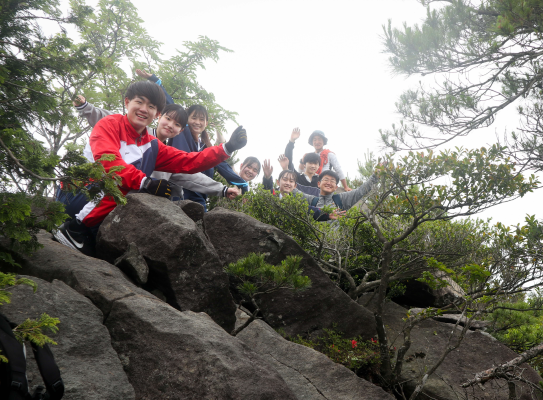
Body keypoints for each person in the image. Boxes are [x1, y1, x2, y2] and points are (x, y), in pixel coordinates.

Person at [54, 80, 247, 256]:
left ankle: (92, 235)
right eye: (139, 102)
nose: (144, 109)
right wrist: (146, 182)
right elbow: (109, 164)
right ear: (127, 102)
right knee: (131, 178)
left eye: (151, 106)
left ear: (156, 113)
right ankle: (75, 228)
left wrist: (227, 148)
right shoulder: (110, 124)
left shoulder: (152, 144)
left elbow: (188, 162)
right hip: (79, 193)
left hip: (105, 202)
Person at [71, 95, 240, 201]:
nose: (170, 125)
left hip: (138, 204)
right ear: (160, 117)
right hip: (100, 191)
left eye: (177, 124)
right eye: (168, 119)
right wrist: (85, 107)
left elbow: (191, 173)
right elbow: (109, 120)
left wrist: (222, 189)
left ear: (181, 131)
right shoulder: (138, 131)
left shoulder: (166, 154)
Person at [136, 69, 251, 208]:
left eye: (202, 119)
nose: (197, 122)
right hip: (174, 197)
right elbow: (172, 109)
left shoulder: (205, 147)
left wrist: (238, 183)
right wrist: (157, 82)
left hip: (198, 199)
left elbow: (215, 161)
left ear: (206, 123)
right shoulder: (174, 135)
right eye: (193, 118)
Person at [261, 158, 345, 221]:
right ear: (278, 182)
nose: (288, 183)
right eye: (285, 180)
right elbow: (266, 192)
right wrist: (267, 178)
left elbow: (310, 210)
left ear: (295, 186)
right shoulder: (273, 196)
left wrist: (327, 214)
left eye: (291, 181)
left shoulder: (296, 202)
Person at [293, 170, 378, 211]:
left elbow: (361, 190)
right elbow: (294, 192)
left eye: (332, 181)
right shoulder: (312, 200)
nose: (329, 183)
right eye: (326, 179)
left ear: (336, 187)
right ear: (319, 184)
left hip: (336, 243)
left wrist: (376, 176)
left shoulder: (341, 199)